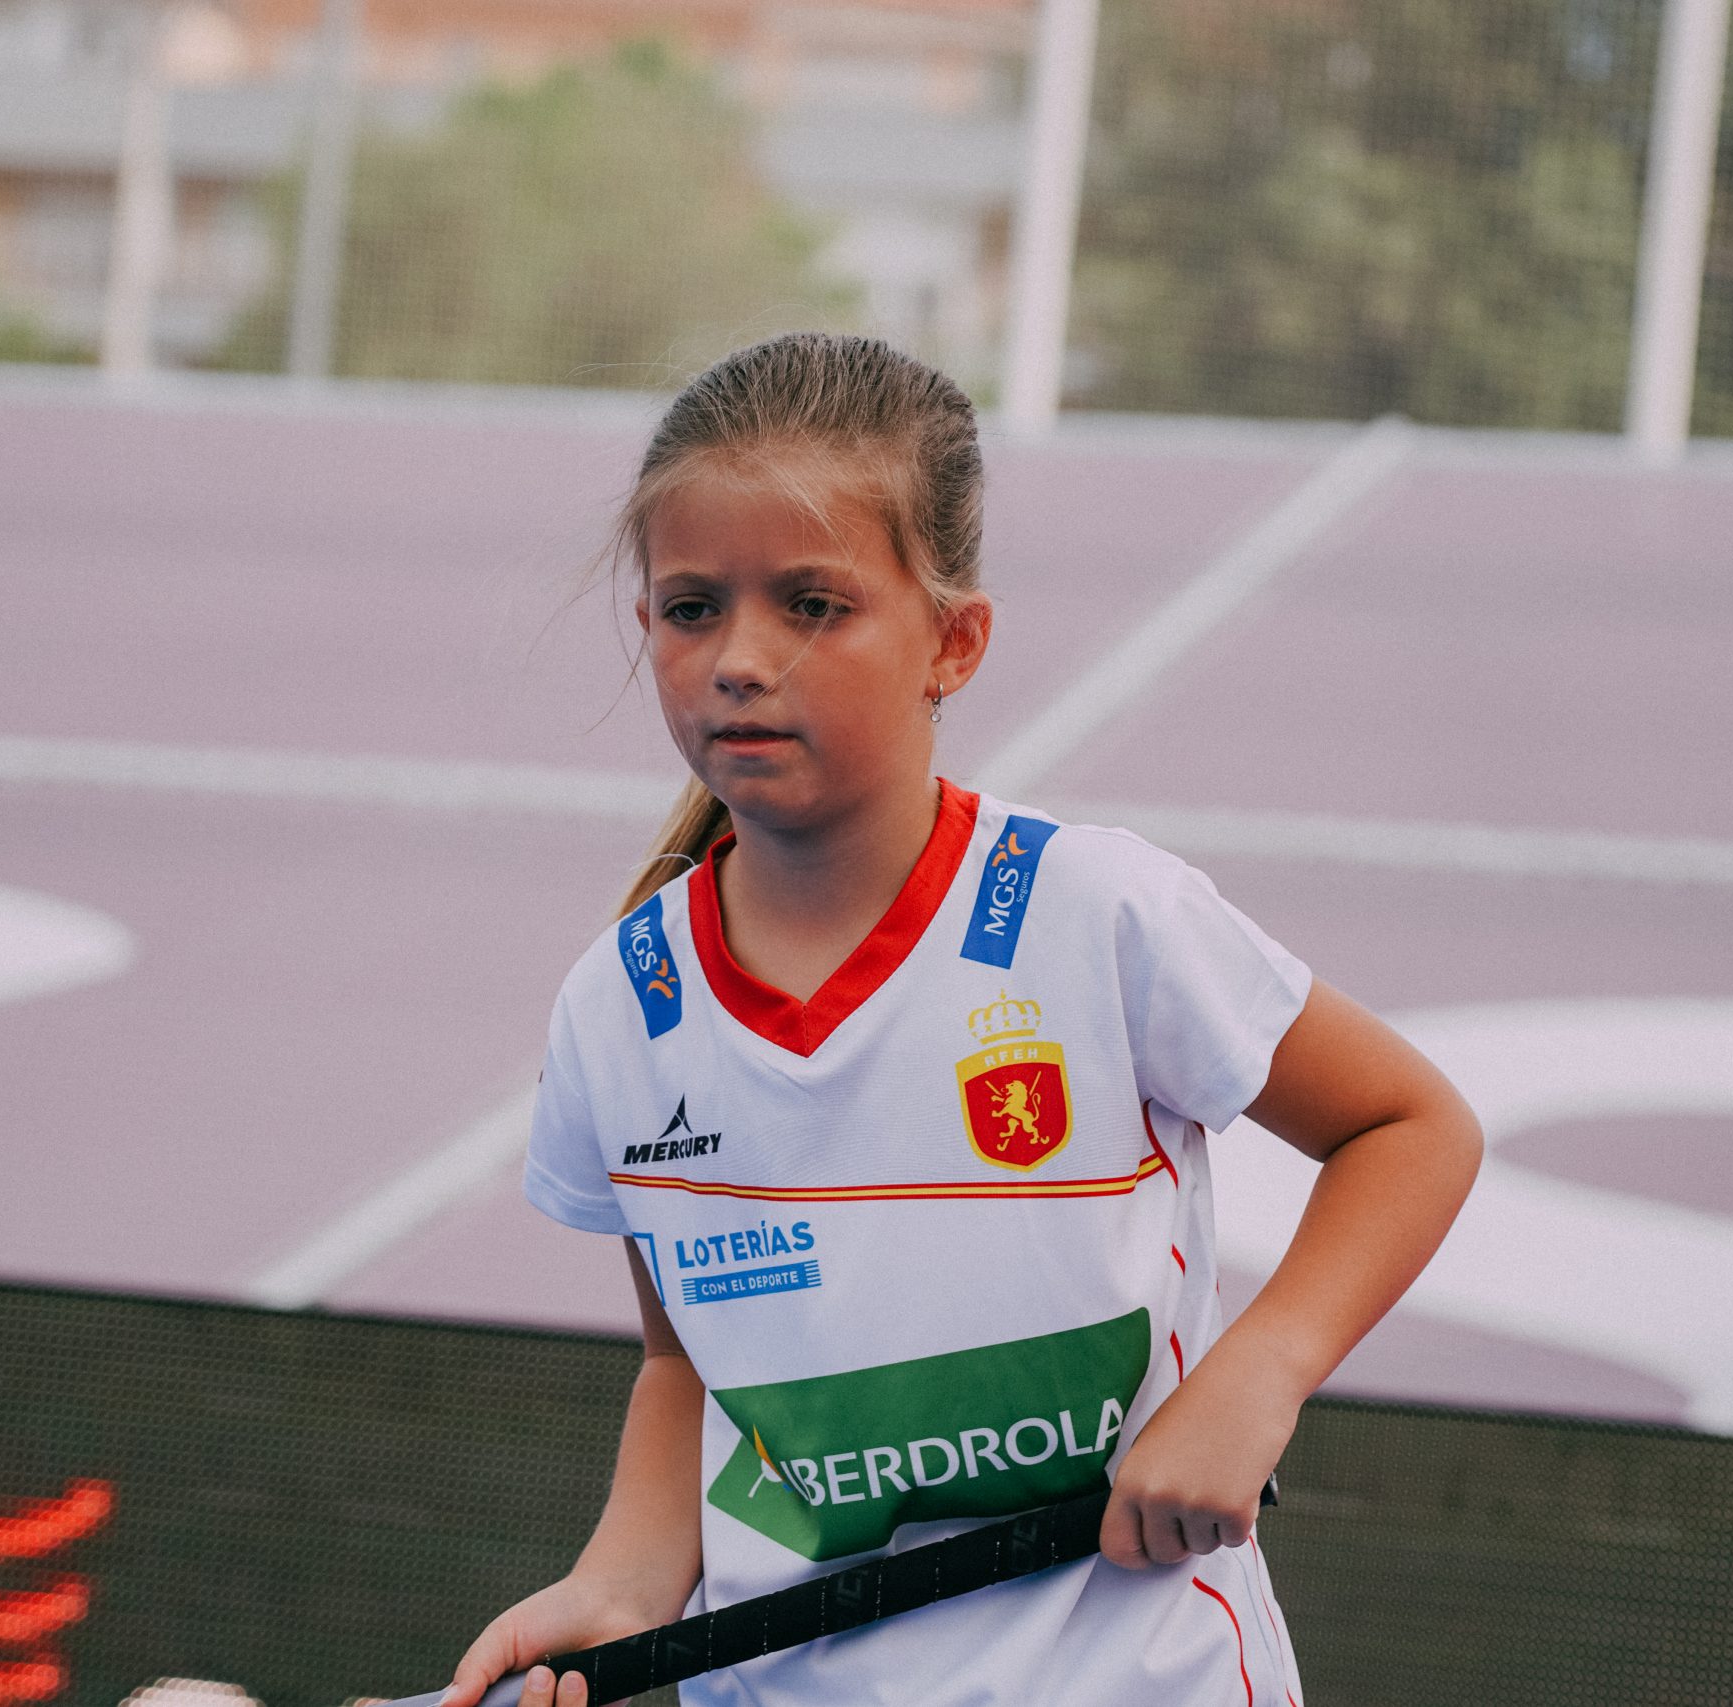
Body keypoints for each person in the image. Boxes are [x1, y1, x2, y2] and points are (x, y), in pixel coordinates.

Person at [442, 332, 1481, 1707]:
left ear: (954, 641)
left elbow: (1413, 1127)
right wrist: (623, 1588)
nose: (740, 659)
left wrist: (1261, 1372)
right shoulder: (618, 1010)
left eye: (812, 604)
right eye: (692, 607)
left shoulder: (1099, 916)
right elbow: (684, 1361)